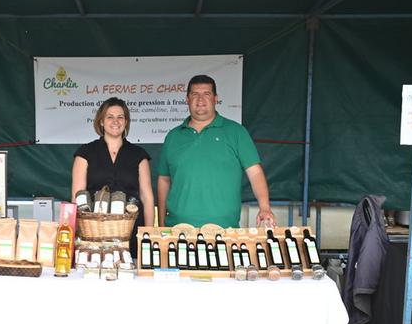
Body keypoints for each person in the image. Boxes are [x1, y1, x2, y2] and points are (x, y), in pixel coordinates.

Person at [157, 75, 275, 228]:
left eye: (206, 94)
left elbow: (255, 172)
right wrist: (160, 225)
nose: (200, 100)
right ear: (187, 99)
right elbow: (163, 180)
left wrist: (264, 207)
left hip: (224, 230)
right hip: (178, 229)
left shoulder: (236, 132)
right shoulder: (173, 136)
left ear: (215, 99)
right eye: (194, 94)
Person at [72, 97, 155, 254]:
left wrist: (148, 235)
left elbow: (147, 197)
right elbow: (76, 198)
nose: (115, 121)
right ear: (101, 121)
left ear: (126, 122)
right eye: (110, 117)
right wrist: (76, 234)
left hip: (131, 231)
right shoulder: (85, 153)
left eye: (120, 117)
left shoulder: (139, 154)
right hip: (94, 231)